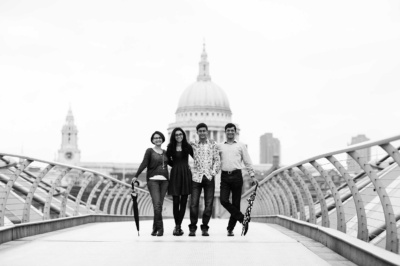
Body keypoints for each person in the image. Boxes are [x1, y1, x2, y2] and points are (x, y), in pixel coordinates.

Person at [218, 123, 258, 236]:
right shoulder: (219, 146)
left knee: (236, 204)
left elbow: (247, 161)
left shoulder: (241, 146)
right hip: (225, 176)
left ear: (235, 132)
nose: (230, 132)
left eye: (232, 130)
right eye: (228, 130)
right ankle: (243, 219)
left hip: (237, 175)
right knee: (223, 200)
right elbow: (215, 161)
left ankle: (230, 229)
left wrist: (252, 175)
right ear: (225, 132)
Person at [132, 131, 169, 237]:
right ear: (152, 140)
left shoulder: (166, 153)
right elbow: (144, 163)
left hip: (165, 181)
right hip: (153, 181)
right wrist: (136, 175)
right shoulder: (149, 151)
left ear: (162, 139)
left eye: (159, 137)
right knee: (157, 205)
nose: (158, 139)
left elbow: (173, 163)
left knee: (159, 206)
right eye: (155, 138)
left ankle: (154, 228)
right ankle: (160, 229)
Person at [189, 123, 220, 237]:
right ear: (197, 132)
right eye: (200, 131)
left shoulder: (213, 145)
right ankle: (192, 227)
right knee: (193, 204)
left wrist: (212, 173)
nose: (202, 133)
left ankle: (205, 227)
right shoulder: (193, 144)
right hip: (196, 177)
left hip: (208, 177)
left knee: (208, 204)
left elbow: (217, 160)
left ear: (207, 132)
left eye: (204, 131)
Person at [166, 127, 193, 236]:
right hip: (175, 174)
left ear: (183, 135)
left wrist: (187, 166)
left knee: (183, 202)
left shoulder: (187, 146)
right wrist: (176, 166)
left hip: (185, 174)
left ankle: (178, 226)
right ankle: (177, 226)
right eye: (176, 135)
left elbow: (196, 157)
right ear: (174, 136)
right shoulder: (170, 147)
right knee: (176, 202)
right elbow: (167, 160)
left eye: (180, 134)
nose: (179, 136)